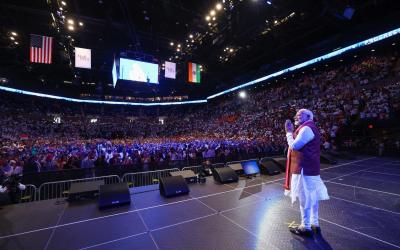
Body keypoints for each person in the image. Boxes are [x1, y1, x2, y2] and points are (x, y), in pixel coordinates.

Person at [284, 109, 329, 236]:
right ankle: (314, 223)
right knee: (312, 197)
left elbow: (294, 146)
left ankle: (305, 226)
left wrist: (288, 133)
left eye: (300, 114)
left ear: (309, 116)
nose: (296, 116)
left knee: (305, 198)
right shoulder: (309, 128)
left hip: (304, 168)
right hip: (310, 168)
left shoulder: (307, 128)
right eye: (296, 115)